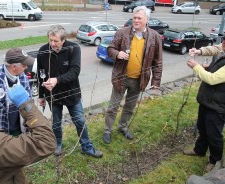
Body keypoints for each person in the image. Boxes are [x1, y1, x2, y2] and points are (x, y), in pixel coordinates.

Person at [37, 24, 103, 158]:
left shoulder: (73, 48)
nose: (52, 44)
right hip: (53, 95)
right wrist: (41, 95)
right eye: (50, 40)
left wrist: (56, 80)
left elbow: (75, 72)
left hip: (71, 93)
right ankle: (58, 145)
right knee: (56, 122)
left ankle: (86, 146)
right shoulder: (43, 51)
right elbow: (40, 75)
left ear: (63, 40)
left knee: (79, 121)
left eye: (56, 41)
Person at [103, 6, 163, 144]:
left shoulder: (154, 37)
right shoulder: (122, 32)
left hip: (139, 80)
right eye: (134, 17)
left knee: (130, 107)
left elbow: (157, 62)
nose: (135, 20)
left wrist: (155, 83)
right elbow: (110, 49)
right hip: (121, 77)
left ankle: (122, 127)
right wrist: (117, 54)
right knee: (113, 106)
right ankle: (107, 131)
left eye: (139, 18)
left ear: (147, 19)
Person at [183, 36, 225, 173]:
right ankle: (199, 150)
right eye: (224, 40)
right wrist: (206, 67)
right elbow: (215, 70)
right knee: (202, 128)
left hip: (218, 106)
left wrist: (197, 67)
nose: (223, 43)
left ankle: (215, 160)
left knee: (214, 134)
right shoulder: (223, 55)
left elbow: (212, 79)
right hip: (208, 101)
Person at [0, 48, 35, 136]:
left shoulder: (22, 77)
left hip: (21, 130)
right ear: (14, 66)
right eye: (24, 65)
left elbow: (30, 102)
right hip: (0, 134)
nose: (27, 67)